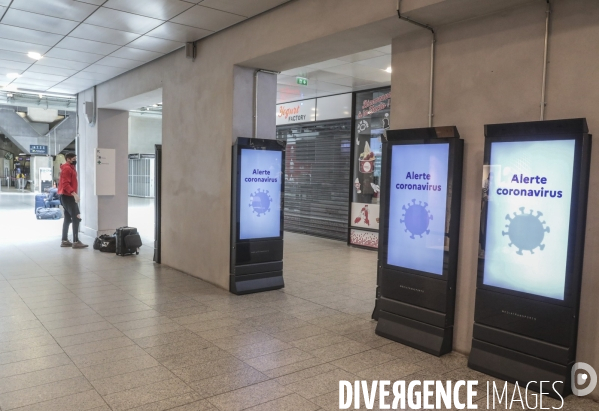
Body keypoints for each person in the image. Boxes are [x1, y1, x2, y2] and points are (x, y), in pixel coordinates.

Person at [58, 154, 87, 248]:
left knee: (67, 218)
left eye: (76, 159)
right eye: (73, 159)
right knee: (76, 217)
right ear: (68, 159)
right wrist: (74, 194)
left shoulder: (70, 167)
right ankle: (75, 241)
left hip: (66, 196)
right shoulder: (67, 168)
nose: (75, 160)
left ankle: (65, 240)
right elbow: (65, 184)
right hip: (68, 196)